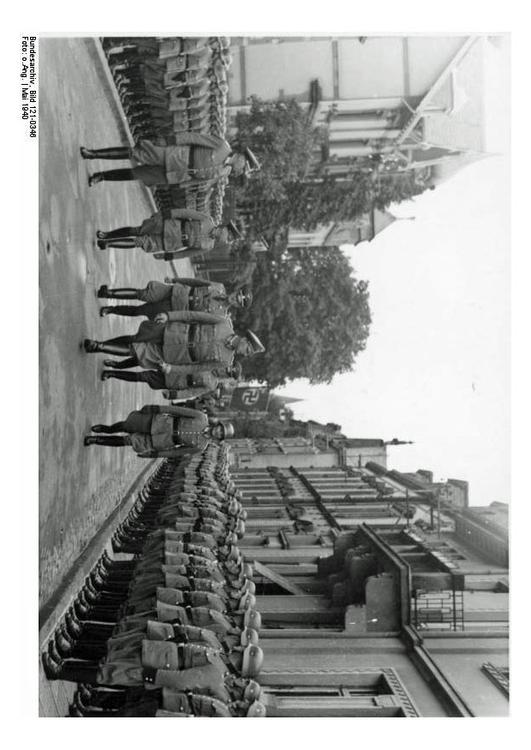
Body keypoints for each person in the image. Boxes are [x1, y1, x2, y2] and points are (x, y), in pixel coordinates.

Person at [83, 310, 265, 372]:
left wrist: (172, 369)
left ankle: (98, 346)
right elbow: (193, 315)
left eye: (247, 354)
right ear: (245, 341)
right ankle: (101, 343)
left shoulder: (225, 361)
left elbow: (197, 367)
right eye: (248, 350)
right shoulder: (224, 323)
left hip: (175, 354)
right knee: (134, 339)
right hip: (172, 331)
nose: (244, 354)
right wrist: (168, 316)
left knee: (136, 351)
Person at [81, 134, 260, 187]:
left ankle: (101, 176)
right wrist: (169, 141)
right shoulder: (222, 146)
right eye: (244, 167)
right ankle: (93, 154)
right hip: (175, 154)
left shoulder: (224, 172)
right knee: (136, 154)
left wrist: (180, 184)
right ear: (242, 158)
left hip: (176, 174)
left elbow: (201, 180)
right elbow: (194, 138)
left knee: (137, 174)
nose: (240, 171)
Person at [83, 403, 234, 457]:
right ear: (218, 425)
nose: (218, 432)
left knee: (128, 441)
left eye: (221, 435)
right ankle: (107, 429)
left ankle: (95, 440)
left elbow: (176, 452)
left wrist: (155, 454)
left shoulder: (201, 447)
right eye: (220, 429)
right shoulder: (201, 417)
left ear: (218, 438)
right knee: (127, 425)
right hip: (160, 422)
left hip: (162, 441)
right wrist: (156, 408)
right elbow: (177, 410)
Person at [95, 208, 226, 262]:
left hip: (171, 243)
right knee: (137, 231)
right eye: (220, 231)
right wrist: (165, 214)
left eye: (220, 237)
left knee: (140, 242)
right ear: (220, 227)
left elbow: (187, 253)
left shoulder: (208, 246)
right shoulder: (207, 220)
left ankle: (108, 243)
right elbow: (186, 213)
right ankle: (107, 235)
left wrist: (168, 256)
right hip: (168, 225)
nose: (218, 234)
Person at [97, 277, 252, 319]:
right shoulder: (218, 287)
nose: (234, 299)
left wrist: (172, 318)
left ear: (237, 306)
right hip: (175, 291)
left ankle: (110, 309)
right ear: (235, 292)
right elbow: (195, 282)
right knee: (143, 294)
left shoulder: (220, 315)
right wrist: (175, 280)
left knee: (140, 311)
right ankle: (108, 293)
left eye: (237, 301)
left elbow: (193, 319)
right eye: (237, 296)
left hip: (175, 308)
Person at [101, 361, 242, 402]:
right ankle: (116, 364)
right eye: (227, 368)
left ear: (226, 377)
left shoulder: (211, 385)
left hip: (172, 382)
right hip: (172, 363)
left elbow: (191, 392)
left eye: (227, 373)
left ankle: (112, 373)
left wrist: (173, 395)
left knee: (142, 377)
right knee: (142, 359)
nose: (224, 371)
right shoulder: (212, 362)